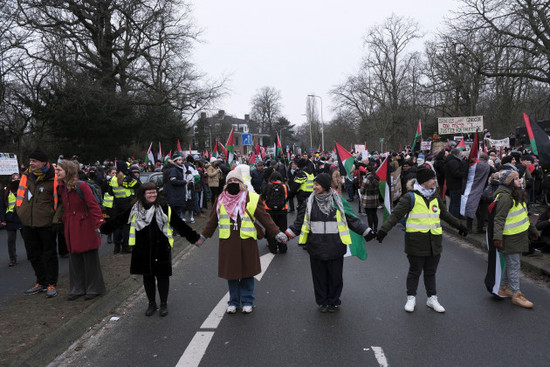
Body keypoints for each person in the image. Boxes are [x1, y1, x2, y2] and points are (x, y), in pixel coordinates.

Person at [376, 167, 468, 313]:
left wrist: (460, 226)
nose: (435, 181)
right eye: (433, 179)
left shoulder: (435, 197)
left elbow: (445, 215)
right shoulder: (410, 197)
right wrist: (383, 231)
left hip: (434, 243)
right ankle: (411, 297)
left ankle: (432, 298)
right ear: (424, 181)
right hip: (416, 242)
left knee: (431, 272)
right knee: (415, 271)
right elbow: (395, 215)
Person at [101, 182, 200, 316]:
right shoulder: (135, 208)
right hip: (142, 249)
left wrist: (194, 238)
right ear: (143, 194)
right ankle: (151, 303)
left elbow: (178, 223)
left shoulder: (163, 207)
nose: (153, 195)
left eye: (154, 192)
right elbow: (119, 220)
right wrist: (103, 229)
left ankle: (163, 304)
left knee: (162, 277)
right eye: (149, 192)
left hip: (161, 248)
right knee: (148, 277)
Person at [197, 170, 287, 314]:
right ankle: (233, 302)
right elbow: (212, 221)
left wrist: (277, 233)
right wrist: (203, 237)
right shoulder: (220, 199)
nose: (233, 183)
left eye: (236, 181)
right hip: (228, 242)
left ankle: (247, 301)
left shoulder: (251, 198)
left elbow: (265, 217)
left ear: (241, 183)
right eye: (230, 181)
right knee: (231, 274)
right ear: (226, 184)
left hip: (247, 241)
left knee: (247, 273)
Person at [284, 173, 374, 313]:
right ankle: (322, 302)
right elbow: (299, 222)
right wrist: (287, 235)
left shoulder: (338, 201)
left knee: (335, 277)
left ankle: (333, 301)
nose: (314, 187)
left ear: (325, 186)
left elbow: (351, 219)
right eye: (314, 184)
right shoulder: (309, 202)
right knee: (319, 278)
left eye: (317, 185)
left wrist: (367, 231)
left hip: (335, 246)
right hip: (316, 246)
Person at [16, 147, 63, 298]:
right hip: (28, 223)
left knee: (49, 254)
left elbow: (61, 202)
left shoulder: (54, 177)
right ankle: (40, 281)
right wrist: (21, 213)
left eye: (34, 161)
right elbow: (21, 196)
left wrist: (55, 220)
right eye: (30, 161)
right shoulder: (26, 176)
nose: (31, 163)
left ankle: (51, 283)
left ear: (44, 162)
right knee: (33, 254)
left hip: (46, 224)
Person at [56, 160, 106, 300]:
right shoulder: (62, 188)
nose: (57, 172)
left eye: (59, 170)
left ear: (68, 171)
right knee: (75, 258)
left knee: (89, 258)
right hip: (71, 226)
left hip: (85, 225)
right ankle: (78, 288)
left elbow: (93, 206)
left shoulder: (82, 186)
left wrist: (99, 224)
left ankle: (94, 287)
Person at [489, 170, 539, 308]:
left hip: (518, 236)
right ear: (509, 182)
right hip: (510, 237)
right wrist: (497, 238)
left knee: (511, 264)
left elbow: (523, 215)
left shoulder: (516, 194)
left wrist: (532, 230)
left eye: (519, 178)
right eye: (516, 179)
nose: (520, 180)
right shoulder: (505, 197)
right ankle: (516, 295)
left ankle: (504, 286)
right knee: (514, 266)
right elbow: (499, 219)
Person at [109, 161, 140, 254]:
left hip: (117, 204)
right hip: (127, 203)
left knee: (118, 226)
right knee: (127, 226)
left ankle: (117, 247)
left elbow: (110, 192)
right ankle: (126, 247)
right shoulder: (126, 179)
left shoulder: (113, 179)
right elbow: (138, 184)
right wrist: (132, 175)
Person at [262, 172, 289, 254]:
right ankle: (283, 247)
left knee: (271, 229)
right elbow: (286, 197)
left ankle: (273, 248)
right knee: (282, 229)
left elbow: (263, 197)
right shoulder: (284, 186)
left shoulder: (267, 186)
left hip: (269, 210)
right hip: (282, 210)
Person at [0, 173, 23, 266]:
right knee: (11, 240)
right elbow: (1, 206)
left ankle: (32, 255)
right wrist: (2, 219)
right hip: (10, 218)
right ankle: (12, 259)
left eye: (18, 178)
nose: (16, 180)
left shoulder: (23, 189)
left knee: (28, 238)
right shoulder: (5, 191)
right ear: (10, 180)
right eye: (14, 179)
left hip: (21, 217)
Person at [360, 166, 380, 233]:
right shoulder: (376, 177)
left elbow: (362, 189)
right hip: (375, 199)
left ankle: (370, 229)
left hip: (367, 199)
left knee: (369, 215)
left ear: (367, 171)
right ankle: (376, 229)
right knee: (374, 214)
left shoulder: (367, 178)